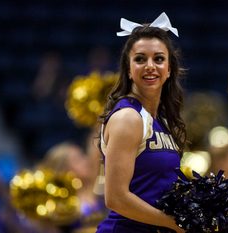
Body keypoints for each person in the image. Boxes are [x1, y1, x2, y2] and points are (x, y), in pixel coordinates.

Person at [96, 12, 186, 233]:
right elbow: (116, 198)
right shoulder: (128, 118)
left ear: (169, 69)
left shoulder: (161, 120)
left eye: (158, 59)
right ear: (128, 69)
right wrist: (175, 224)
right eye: (140, 59)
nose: (150, 66)